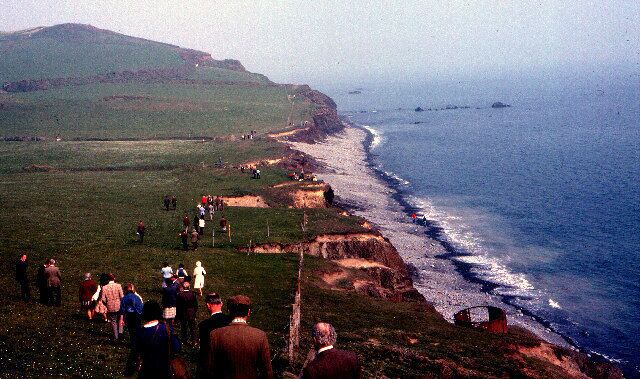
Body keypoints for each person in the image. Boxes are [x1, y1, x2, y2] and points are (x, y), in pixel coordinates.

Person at [205, 295, 272, 379]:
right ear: (248, 312)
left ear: (229, 311)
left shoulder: (215, 335)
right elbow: (267, 371)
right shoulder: (260, 336)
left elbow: (210, 369)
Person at [135, 300, 181, 379]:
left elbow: (138, 349)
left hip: (147, 370)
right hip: (164, 369)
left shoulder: (140, 332)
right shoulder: (166, 329)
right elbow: (176, 347)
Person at [197, 293, 230, 375]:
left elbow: (204, 350)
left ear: (208, 305)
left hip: (213, 365)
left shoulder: (204, 325)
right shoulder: (230, 320)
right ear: (221, 304)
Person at [99, 273, 124, 341]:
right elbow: (122, 296)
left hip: (110, 306)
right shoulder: (118, 286)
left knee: (113, 321)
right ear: (114, 278)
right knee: (120, 319)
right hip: (119, 305)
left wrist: (107, 304)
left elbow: (103, 299)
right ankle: (120, 332)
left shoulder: (104, 287)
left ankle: (116, 336)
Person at [176, 282, 198, 347]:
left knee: (183, 328)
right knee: (192, 328)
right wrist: (194, 312)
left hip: (183, 313)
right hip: (191, 313)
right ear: (189, 287)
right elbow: (195, 305)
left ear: (182, 287)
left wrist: (178, 314)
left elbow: (178, 306)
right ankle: (194, 341)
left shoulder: (180, 295)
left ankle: (184, 340)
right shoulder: (192, 294)